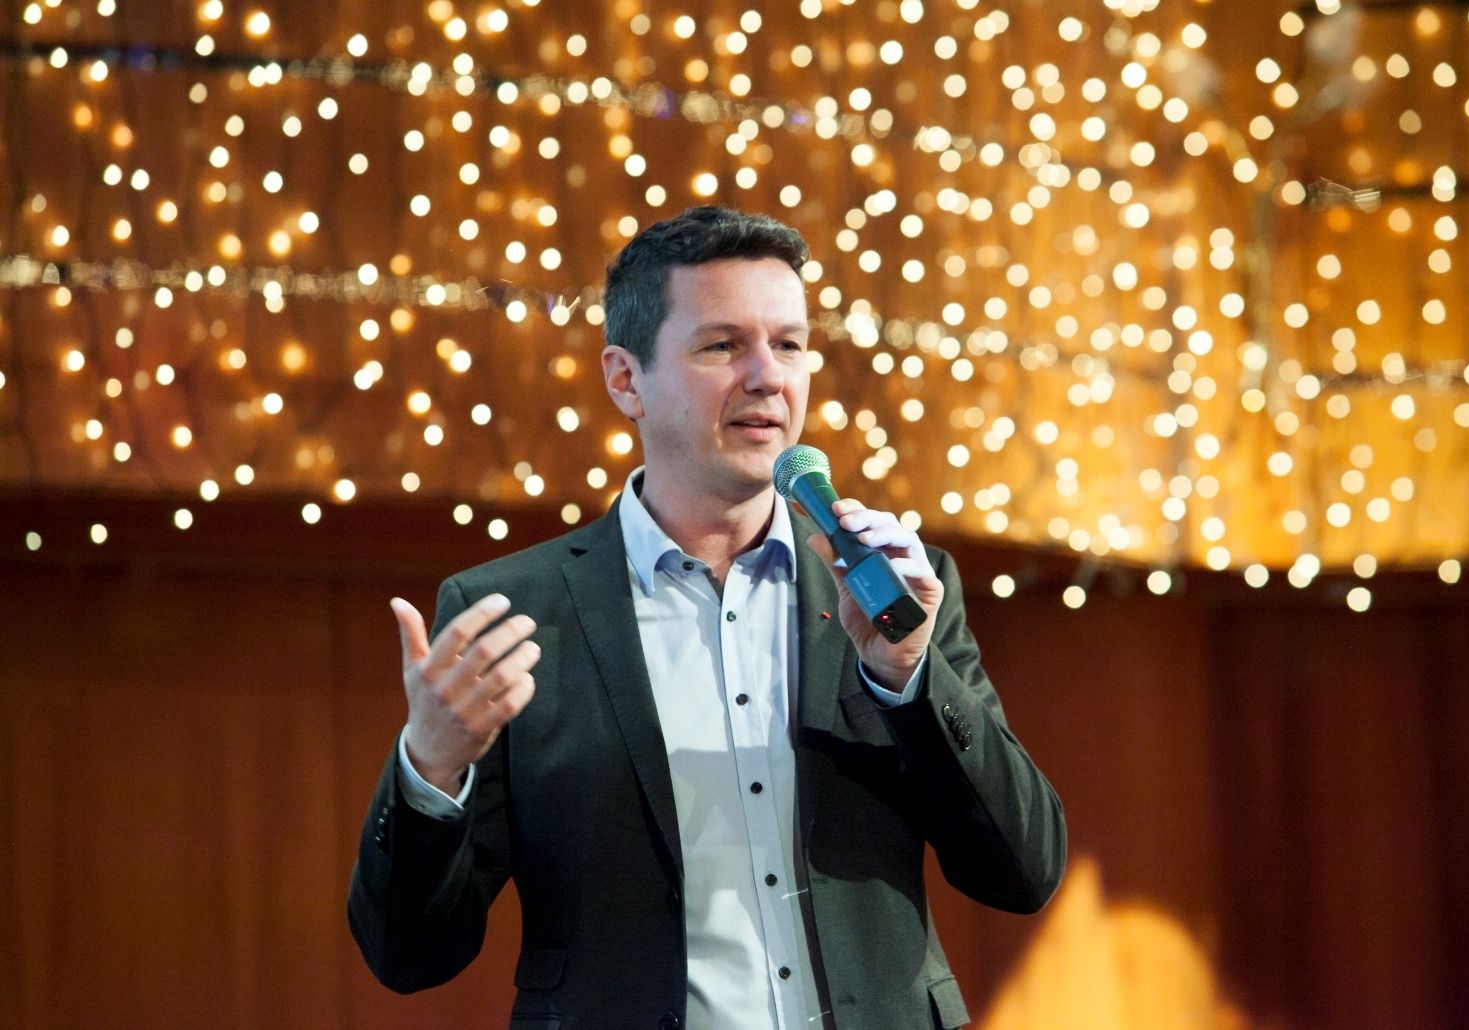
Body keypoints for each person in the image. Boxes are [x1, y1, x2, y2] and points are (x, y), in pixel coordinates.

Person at [348, 206, 1066, 1030]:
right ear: (626, 380)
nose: (767, 377)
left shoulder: (894, 588)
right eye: (723, 346)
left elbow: (1023, 872)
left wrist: (908, 678)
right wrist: (432, 768)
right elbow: (410, 954)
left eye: (789, 344)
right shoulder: (518, 613)